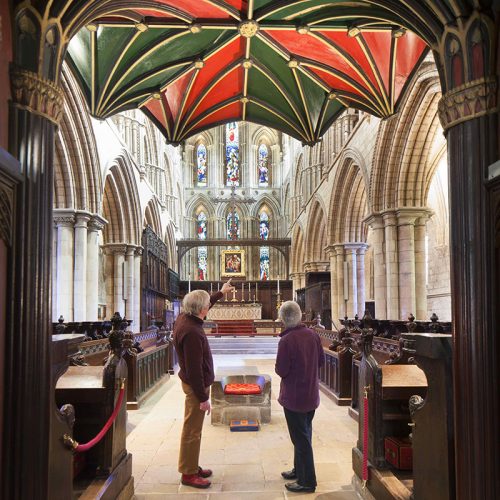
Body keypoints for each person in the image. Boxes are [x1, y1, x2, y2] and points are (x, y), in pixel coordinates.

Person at [173, 279, 235, 489]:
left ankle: (191, 465)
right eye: (208, 305)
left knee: (193, 429)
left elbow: (203, 304)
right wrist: (203, 398)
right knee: (192, 431)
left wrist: (220, 293)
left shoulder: (185, 317)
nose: (209, 307)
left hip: (191, 383)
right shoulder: (192, 332)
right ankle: (188, 474)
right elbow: (194, 369)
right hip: (194, 386)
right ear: (201, 309)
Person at [275, 301, 324, 493]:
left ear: (282, 319)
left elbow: (281, 369)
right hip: (310, 394)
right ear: (300, 316)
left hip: (294, 397)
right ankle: (299, 469)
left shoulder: (286, 341)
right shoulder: (313, 335)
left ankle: (307, 481)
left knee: (301, 438)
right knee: (304, 434)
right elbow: (320, 361)